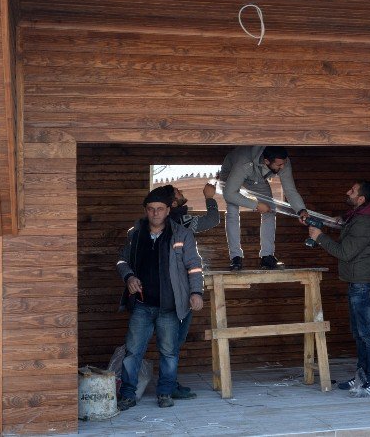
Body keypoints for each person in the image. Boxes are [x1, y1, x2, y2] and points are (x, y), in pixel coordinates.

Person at [115, 186, 204, 410]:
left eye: (160, 209)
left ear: (167, 210)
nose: (155, 213)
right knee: (133, 352)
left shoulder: (181, 234)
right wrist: (129, 277)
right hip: (142, 306)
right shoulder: (134, 234)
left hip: (170, 306)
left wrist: (196, 292)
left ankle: (165, 392)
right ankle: (127, 395)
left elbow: (194, 266)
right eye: (151, 209)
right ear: (146, 210)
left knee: (169, 352)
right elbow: (121, 261)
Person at [308, 180, 370, 397]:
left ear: (361, 199)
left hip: (364, 285)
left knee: (368, 334)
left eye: (352, 191)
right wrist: (339, 222)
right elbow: (351, 230)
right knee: (360, 334)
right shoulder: (360, 217)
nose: (347, 191)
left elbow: (345, 252)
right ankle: (362, 377)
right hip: (359, 282)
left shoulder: (366, 222)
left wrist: (320, 237)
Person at [159, 183, 220, 400]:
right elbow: (213, 220)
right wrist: (209, 197)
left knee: (169, 342)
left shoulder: (158, 223)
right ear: (173, 203)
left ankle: (168, 384)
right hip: (180, 292)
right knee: (174, 341)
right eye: (177, 192)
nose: (182, 192)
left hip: (161, 292)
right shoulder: (181, 220)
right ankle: (168, 386)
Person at [220, 146, 308, 270]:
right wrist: (255, 205)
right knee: (232, 209)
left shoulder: (283, 162)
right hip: (231, 171)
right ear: (267, 161)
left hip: (256, 177)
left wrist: (301, 210)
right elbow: (229, 194)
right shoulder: (243, 163)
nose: (283, 167)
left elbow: (290, 190)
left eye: (284, 164)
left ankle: (267, 257)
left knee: (270, 209)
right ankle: (236, 258)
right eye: (279, 165)